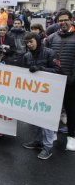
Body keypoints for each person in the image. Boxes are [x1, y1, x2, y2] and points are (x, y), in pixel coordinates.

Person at [22, 32, 60, 160]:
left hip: (49, 93)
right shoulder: (27, 55)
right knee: (34, 119)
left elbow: (58, 70)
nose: (29, 44)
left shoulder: (50, 53)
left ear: (37, 40)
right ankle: (38, 141)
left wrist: (40, 69)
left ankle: (47, 147)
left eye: (31, 41)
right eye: (27, 42)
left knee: (47, 121)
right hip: (33, 92)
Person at [45, 9, 75, 151]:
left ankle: (71, 137)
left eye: (65, 19)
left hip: (71, 82)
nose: (63, 22)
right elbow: (45, 56)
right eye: (60, 20)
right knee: (53, 109)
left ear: (71, 19)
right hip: (54, 80)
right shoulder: (51, 38)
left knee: (71, 110)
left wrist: (72, 78)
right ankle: (53, 132)